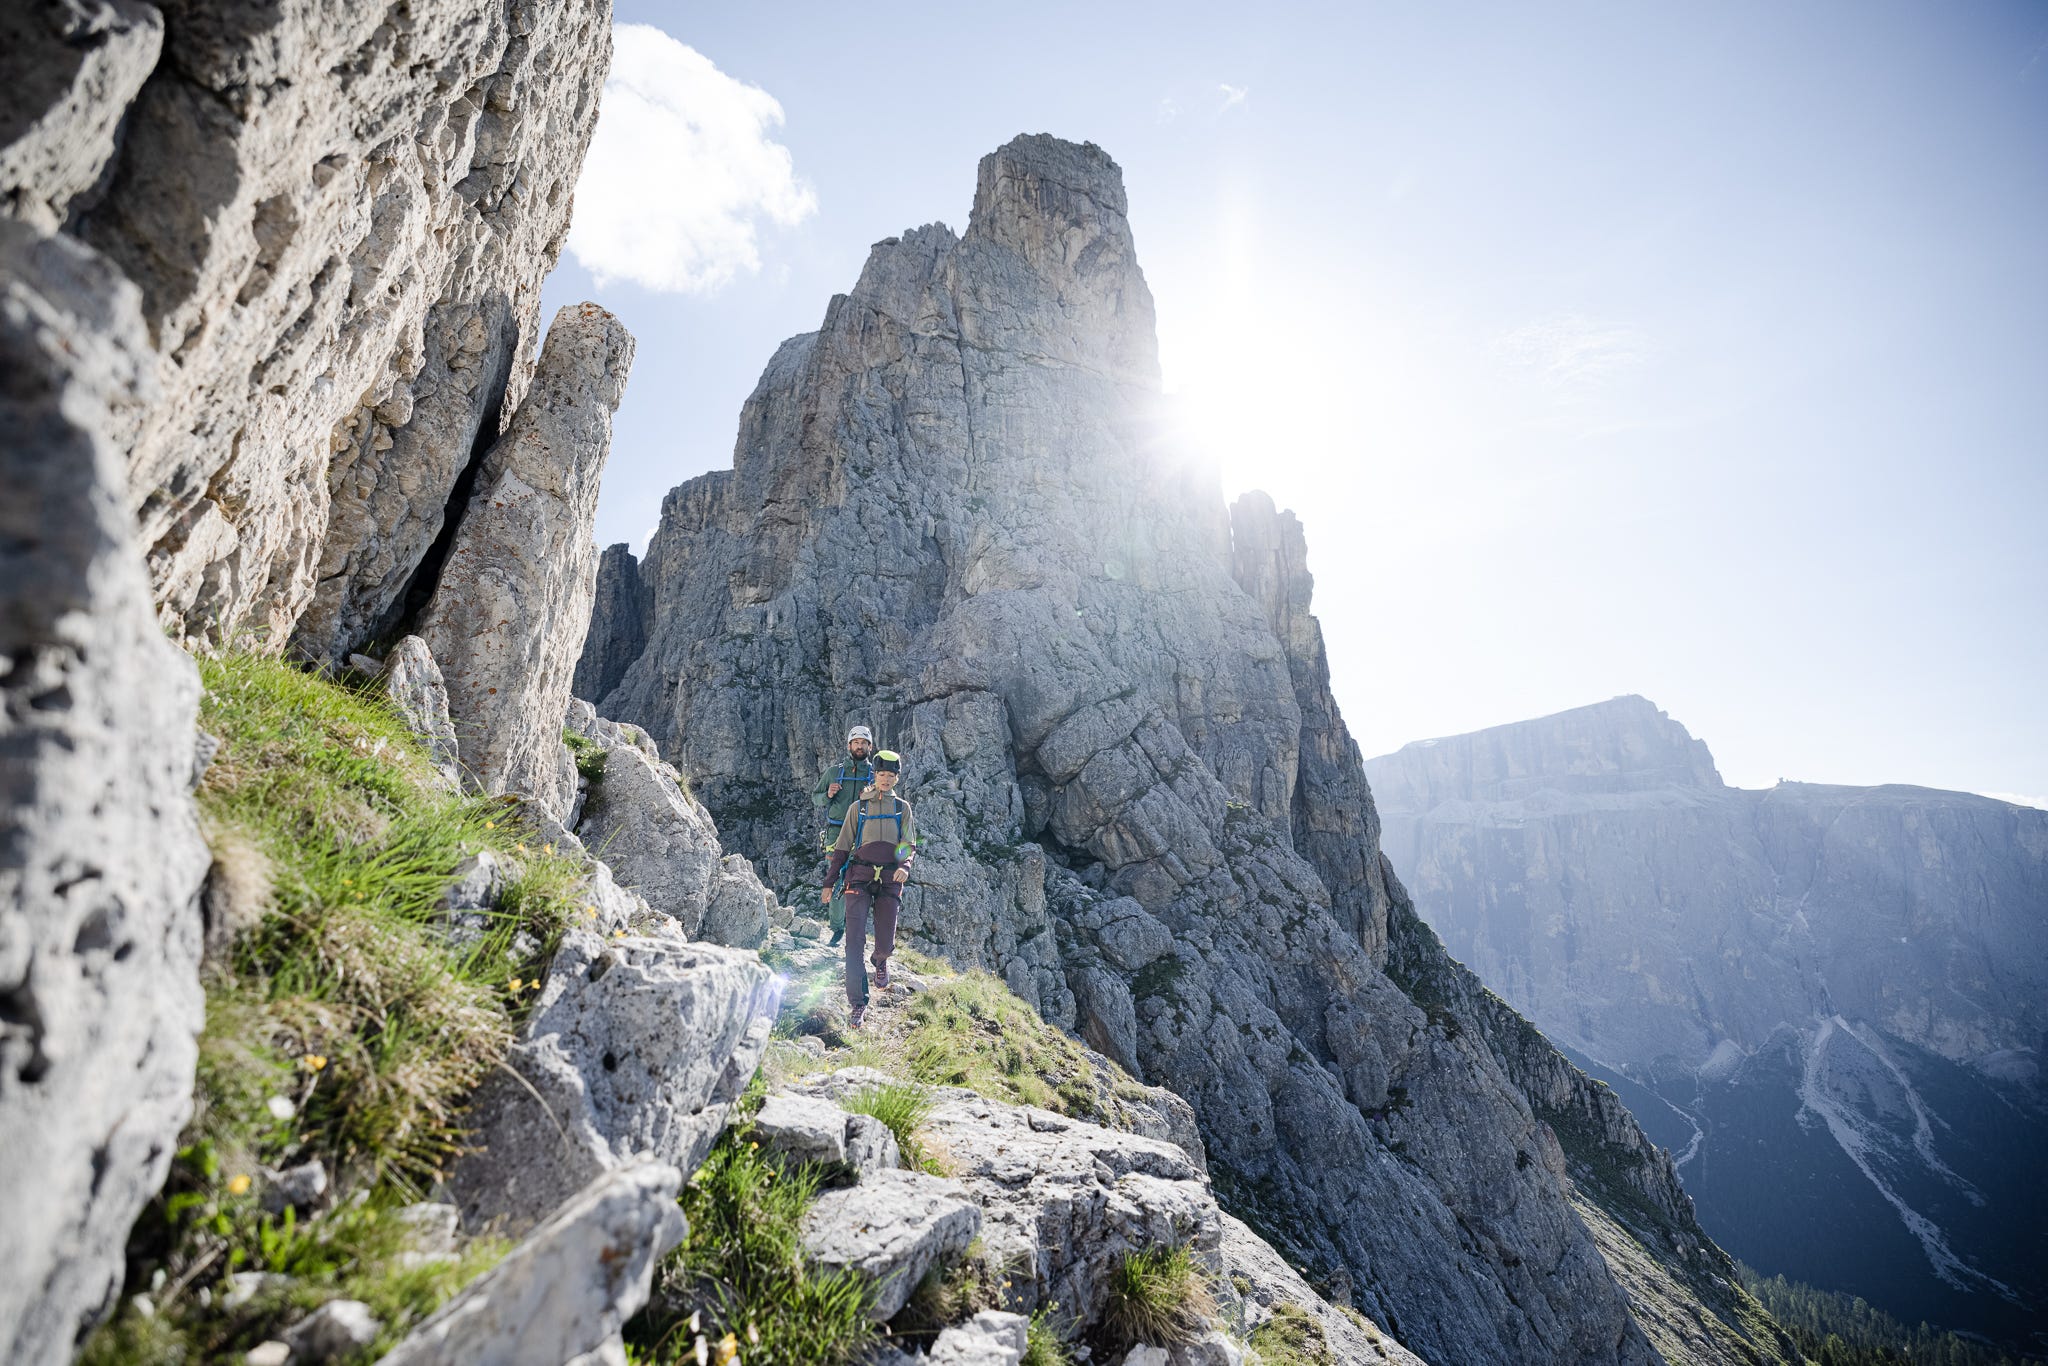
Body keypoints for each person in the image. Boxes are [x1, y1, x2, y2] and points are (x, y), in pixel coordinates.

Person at [821, 750, 917, 1029]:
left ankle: (880, 959)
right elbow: (841, 848)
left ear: (897, 778)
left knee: (885, 941)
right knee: (854, 940)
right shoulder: (858, 808)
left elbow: (908, 844)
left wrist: (905, 866)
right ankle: (858, 1003)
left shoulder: (902, 808)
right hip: (859, 877)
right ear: (874, 775)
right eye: (881, 774)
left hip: (890, 879)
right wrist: (829, 883)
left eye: (891, 775)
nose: (886, 779)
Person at [811, 726, 876, 943]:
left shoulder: (875, 776)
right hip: (837, 833)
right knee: (837, 877)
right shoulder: (834, 772)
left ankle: (856, 929)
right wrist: (828, 794)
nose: (859, 746)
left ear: (870, 747)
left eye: (863, 743)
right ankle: (838, 928)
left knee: (861, 880)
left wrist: (871, 798)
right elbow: (816, 798)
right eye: (856, 742)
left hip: (864, 833)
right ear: (849, 746)